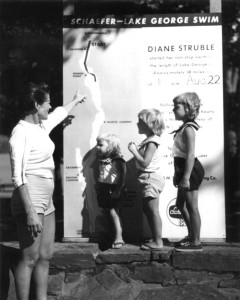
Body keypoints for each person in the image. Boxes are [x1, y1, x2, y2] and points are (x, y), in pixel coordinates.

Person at [9, 82, 86, 300]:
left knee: (45, 255)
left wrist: (76, 100)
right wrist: (30, 211)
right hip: (30, 195)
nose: (50, 107)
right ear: (36, 105)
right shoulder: (20, 132)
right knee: (30, 257)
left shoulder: (41, 125)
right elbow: (18, 177)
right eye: (47, 103)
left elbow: (59, 114)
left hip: (46, 196)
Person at [171, 92, 205, 252]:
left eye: (176, 107)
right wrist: (177, 175)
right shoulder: (184, 127)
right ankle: (192, 235)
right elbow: (179, 154)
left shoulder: (189, 129)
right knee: (180, 204)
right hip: (182, 169)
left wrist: (185, 177)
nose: (173, 110)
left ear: (187, 108)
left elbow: (190, 155)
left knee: (192, 207)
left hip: (190, 170)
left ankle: (196, 242)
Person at [128, 109, 165, 250]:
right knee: (148, 209)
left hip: (151, 179)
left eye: (140, 121)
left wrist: (133, 151)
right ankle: (156, 238)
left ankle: (158, 242)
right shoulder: (149, 140)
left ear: (149, 124)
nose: (137, 124)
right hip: (146, 179)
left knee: (152, 210)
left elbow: (144, 162)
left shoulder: (152, 142)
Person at [96, 133, 126, 249]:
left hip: (113, 189)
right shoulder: (104, 159)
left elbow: (123, 175)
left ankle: (119, 237)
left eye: (100, 145)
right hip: (104, 188)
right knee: (108, 212)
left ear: (111, 146)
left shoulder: (118, 159)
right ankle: (113, 234)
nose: (97, 147)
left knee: (114, 212)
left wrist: (118, 190)